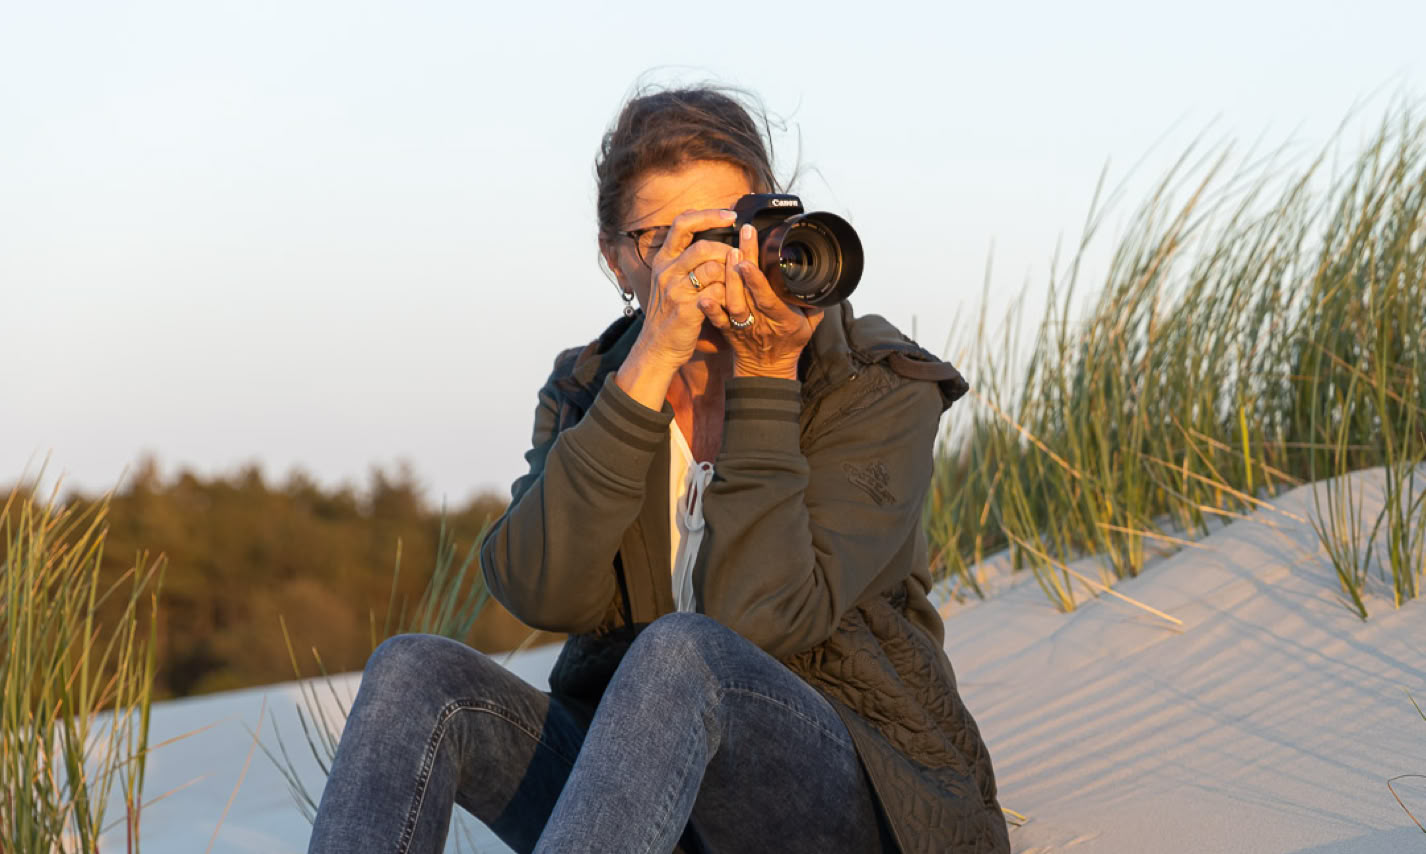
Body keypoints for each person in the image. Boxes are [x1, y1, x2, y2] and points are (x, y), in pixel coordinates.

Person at [307, 84, 1010, 854]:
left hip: (857, 793)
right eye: (666, 241)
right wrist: (645, 369)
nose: (706, 264)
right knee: (412, 672)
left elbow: (761, 621)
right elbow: (541, 589)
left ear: (773, 227)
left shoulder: (873, 382)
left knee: (682, 651)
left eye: (727, 230)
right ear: (615, 257)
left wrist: (767, 373)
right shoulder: (588, 386)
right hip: (636, 797)